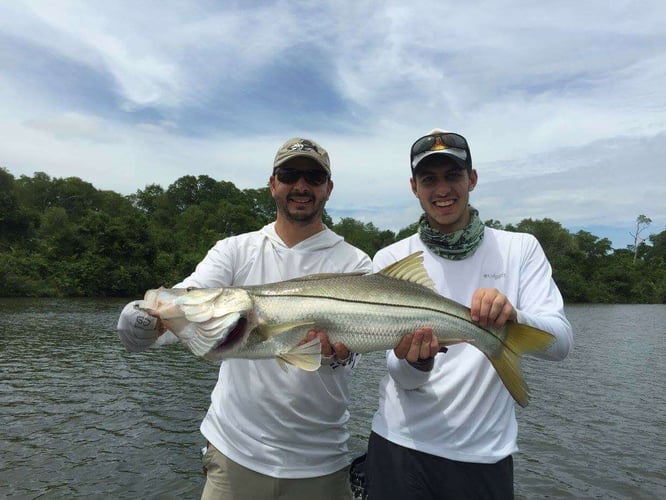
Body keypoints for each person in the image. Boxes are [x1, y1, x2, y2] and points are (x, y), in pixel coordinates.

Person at [117, 137, 371, 499]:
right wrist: (144, 322)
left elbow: (355, 353)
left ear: (328, 189)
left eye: (314, 177)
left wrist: (340, 355)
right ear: (273, 184)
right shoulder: (234, 251)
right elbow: (190, 302)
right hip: (234, 455)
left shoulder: (355, 263)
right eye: (289, 174)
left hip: (320, 462)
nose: (301, 186)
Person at [364, 129, 574, 500]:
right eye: (429, 179)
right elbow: (403, 378)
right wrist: (418, 362)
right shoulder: (390, 259)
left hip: (483, 456)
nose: (442, 189)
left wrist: (514, 318)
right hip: (398, 446)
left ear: (472, 179)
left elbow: (560, 345)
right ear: (414, 187)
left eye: (453, 176)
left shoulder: (519, 248)